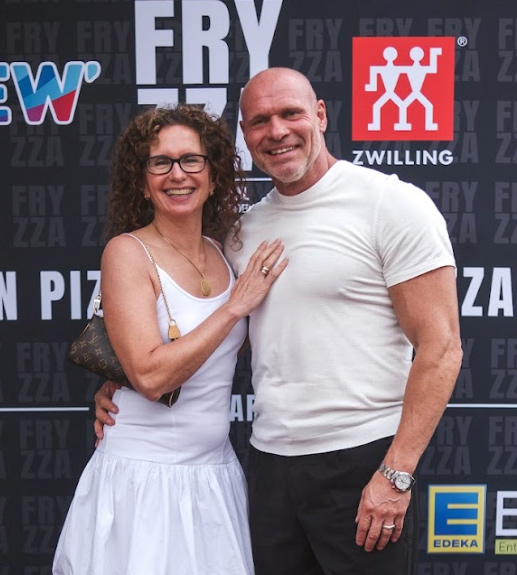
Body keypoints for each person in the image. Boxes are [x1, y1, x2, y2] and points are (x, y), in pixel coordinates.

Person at [95, 68, 463, 575]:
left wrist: (396, 473)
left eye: (291, 113)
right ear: (245, 137)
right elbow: (213, 336)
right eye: (259, 121)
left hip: (361, 462)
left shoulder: (391, 204)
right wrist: (122, 381)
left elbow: (441, 347)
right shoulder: (242, 233)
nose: (277, 131)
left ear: (320, 115)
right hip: (269, 467)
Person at [53, 103, 287, 575]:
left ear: (213, 176)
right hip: (143, 482)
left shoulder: (223, 252)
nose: (177, 174)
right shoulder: (127, 253)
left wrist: (112, 378)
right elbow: (149, 377)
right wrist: (233, 307)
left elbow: (220, 352)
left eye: (191, 160)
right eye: (160, 162)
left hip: (214, 478)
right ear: (143, 182)